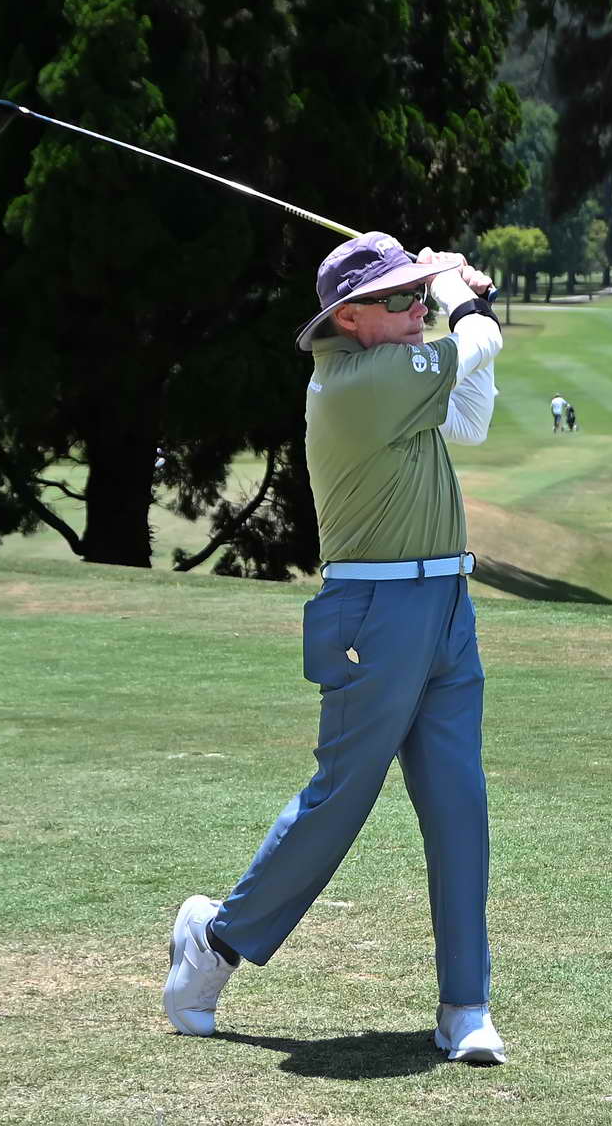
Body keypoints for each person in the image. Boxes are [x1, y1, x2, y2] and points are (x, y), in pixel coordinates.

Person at [162, 231, 507, 1064]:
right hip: (373, 614)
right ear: (349, 317)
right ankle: (213, 940)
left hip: (447, 605)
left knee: (459, 804)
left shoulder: (397, 373)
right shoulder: (358, 382)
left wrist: (455, 301)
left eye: (418, 296)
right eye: (400, 299)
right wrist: (459, 294)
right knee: (341, 801)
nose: (416, 309)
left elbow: (471, 417)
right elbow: (478, 340)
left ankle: (465, 1005)